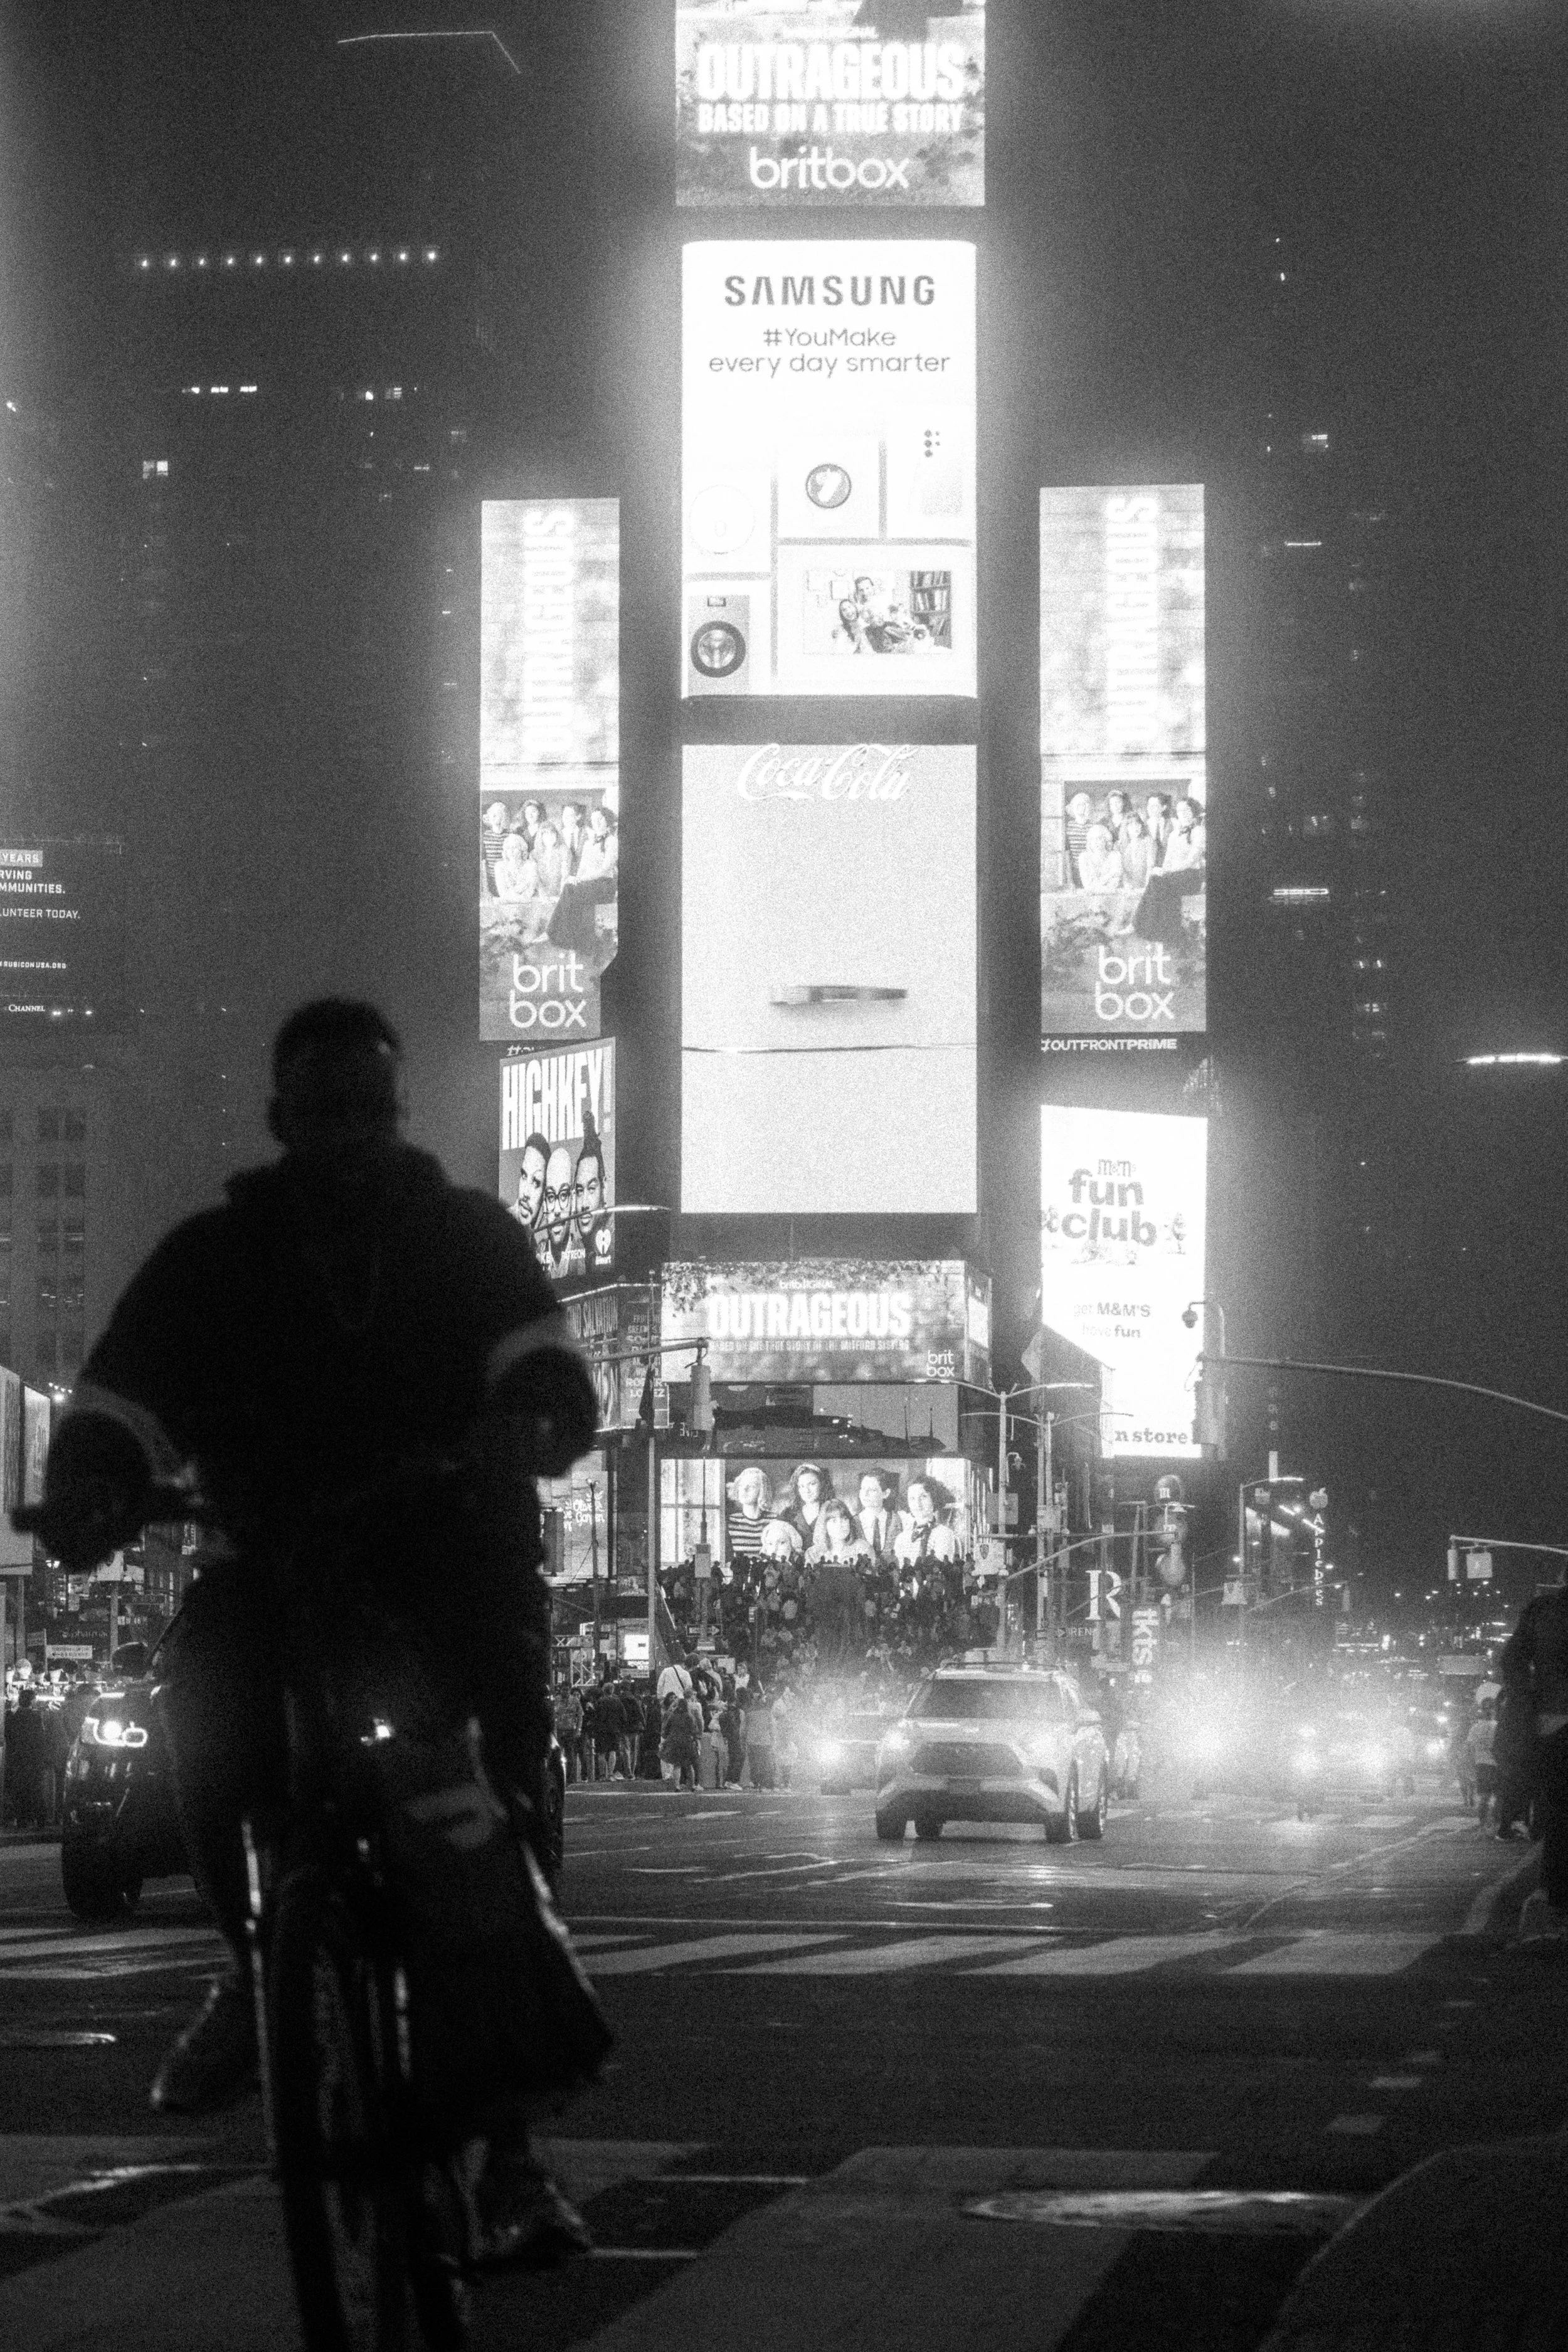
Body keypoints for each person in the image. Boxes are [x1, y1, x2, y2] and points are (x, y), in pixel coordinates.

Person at [24, 998, 600, 2267]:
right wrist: (93, 1481)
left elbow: (539, 1352)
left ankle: (511, 2158)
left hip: (451, 1567)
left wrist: (538, 1412)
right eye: (320, 1109)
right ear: (283, 1119)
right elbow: (122, 1391)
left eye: (366, 1109)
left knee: (491, 1807)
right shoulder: (217, 1257)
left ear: (395, 1117)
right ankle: (250, 1961)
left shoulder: (467, 1239)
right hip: (279, 1569)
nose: (344, 1133)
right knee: (201, 1708)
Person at [1502, 1578, 1568, 1936]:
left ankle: (1557, 1899)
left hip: (1552, 1723)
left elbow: (1512, 1661)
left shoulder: (1543, 1610)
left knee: (1559, 1814)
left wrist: (1528, 1697)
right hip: (1552, 1721)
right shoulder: (1542, 1611)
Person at [779, 1463, 831, 1555]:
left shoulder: (831, 1511)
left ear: (821, 1484)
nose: (807, 1491)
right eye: (802, 1486)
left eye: (812, 1484)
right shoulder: (788, 1514)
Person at [744, 1681, 777, 1789]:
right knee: (764, 1763)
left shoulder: (748, 1713)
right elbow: (772, 1728)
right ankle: (764, 1783)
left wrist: (743, 1741)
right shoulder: (768, 1713)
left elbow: (743, 1729)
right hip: (765, 1742)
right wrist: (773, 1740)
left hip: (752, 1741)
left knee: (754, 1763)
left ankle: (754, 1782)